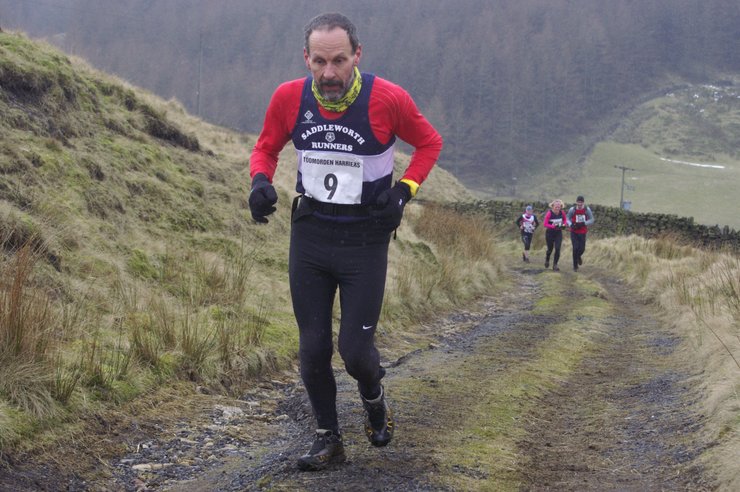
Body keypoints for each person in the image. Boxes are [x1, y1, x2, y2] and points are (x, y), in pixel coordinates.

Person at [248, 12, 442, 471]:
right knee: (313, 347)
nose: (329, 73)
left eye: (339, 60)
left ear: (357, 55)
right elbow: (266, 147)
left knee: (355, 353)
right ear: (306, 59)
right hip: (311, 233)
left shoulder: (388, 98)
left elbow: (429, 144)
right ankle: (328, 438)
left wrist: (404, 190)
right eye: (319, 62)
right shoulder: (289, 97)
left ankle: (373, 396)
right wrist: (259, 182)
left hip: (364, 239)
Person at [566, 195, 595, 271]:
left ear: (583, 202)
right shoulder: (572, 209)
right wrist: (571, 224)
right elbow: (567, 218)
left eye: (581, 202)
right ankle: (575, 266)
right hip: (574, 231)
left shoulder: (587, 210)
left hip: (582, 231)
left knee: (582, 248)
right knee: (575, 248)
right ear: (576, 202)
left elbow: (592, 219)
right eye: (578, 202)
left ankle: (578, 256)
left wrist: (584, 223)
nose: (579, 204)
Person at [542, 199, 567, 271]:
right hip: (550, 233)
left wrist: (564, 224)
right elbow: (545, 224)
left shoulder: (562, 213)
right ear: (552, 206)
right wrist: (553, 226)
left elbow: (565, 220)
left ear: (561, 207)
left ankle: (555, 265)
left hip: (558, 233)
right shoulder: (549, 213)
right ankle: (547, 259)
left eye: (559, 207)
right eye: (556, 206)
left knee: (558, 249)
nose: (557, 208)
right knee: (550, 249)